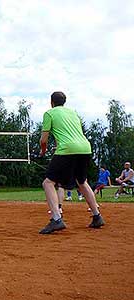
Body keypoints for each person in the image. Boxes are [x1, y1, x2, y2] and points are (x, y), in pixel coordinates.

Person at [39, 91, 104, 234]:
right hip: (85, 147)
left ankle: (56, 219)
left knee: (48, 183)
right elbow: (70, 133)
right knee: (82, 181)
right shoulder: (73, 113)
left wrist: (43, 151)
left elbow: (44, 140)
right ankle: (97, 216)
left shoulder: (49, 113)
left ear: (52, 102)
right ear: (64, 102)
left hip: (67, 149)